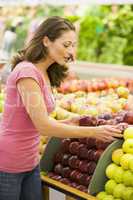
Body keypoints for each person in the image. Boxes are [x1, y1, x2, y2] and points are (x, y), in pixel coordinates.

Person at [0, 16, 123, 200]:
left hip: (31, 161)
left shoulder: (45, 72)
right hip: (9, 163)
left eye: (73, 45)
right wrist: (93, 132)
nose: (71, 51)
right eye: (66, 45)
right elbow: (44, 126)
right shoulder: (27, 73)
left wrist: (68, 122)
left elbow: (35, 121)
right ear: (46, 41)